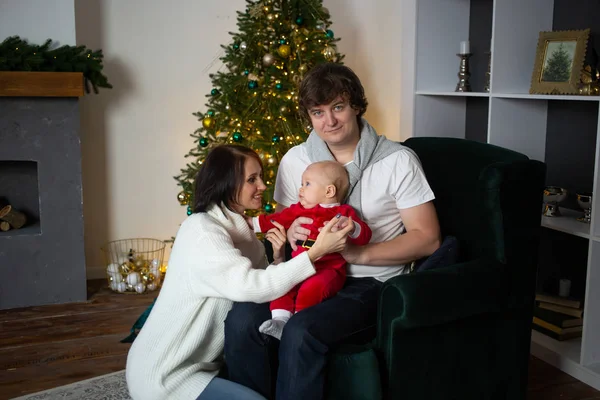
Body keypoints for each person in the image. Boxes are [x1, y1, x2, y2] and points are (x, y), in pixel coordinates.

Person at [224, 63, 441, 400]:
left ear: (355, 105)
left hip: (369, 283)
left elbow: (428, 238)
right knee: (241, 318)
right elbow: (281, 225)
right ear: (309, 116)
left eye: (338, 107)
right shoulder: (296, 160)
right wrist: (290, 232)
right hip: (303, 268)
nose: (330, 121)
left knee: (300, 330)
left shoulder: (398, 161)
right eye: (318, 112)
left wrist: (358, 253)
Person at [125, 144, 354, 400]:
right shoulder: (202, 230)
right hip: (165, 375)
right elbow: (251, 286)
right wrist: (315, 253)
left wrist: (278, 258)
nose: (263, 187)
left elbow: (265, 284)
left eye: (261, 177)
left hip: (203, 368)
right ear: (227, 183)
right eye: (252, 179)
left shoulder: (243, 234)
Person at [252, 160, 372, 340]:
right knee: (282, 286)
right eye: (301, 184)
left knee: (312, 288)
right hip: (299, 265)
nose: (300, 189)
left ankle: (299, 321)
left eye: (307, 184)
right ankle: (280, 322)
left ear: (329, 191)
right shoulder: (299, 210)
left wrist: (352, 227)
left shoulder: (343, 213)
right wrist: (251, 223)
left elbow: (365, 236)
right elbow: (277, 219)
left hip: (328, 270)